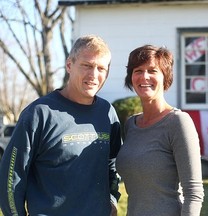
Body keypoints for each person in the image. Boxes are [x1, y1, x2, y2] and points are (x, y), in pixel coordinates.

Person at [0, 35, 122, 216]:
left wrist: (112, 199)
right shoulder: (39, 114)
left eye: (101, 68)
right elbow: (11, 178)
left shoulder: (107, 113)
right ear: (69, 65)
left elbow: (113, 164)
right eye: (87, 65)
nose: (94, 75)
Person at [116, 45, 204, 216]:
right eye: (138, 70)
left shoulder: (178, 122)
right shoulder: (131, 125)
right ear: (131, 77)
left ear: (166, 77)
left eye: (152, 70)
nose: (144, 76)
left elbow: (193, 193)